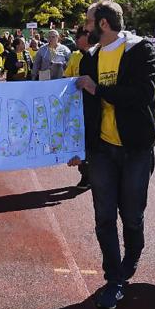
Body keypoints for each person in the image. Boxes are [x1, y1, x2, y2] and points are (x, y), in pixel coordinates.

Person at [72, 0, 155, 309]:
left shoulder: (140, 51)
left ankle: (131, 258)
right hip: (102, 152)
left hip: (135, 150)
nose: (85, 27)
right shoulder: (89, 59)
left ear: (103, 24)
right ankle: (115, 278)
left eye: (88, 21)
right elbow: (82, 110)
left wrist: (100, 89)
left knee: (132, 216)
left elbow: (142, 95)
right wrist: (76, 148)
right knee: (104, 217)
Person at [64, 26, 91, 189]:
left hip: (93, 103)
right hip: (77, 104)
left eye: (78, 37)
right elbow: (67, 76)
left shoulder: (98, 54)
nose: (75, 40)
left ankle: (92, 172)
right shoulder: (74, 56)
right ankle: (85, 173)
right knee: (80, 138)